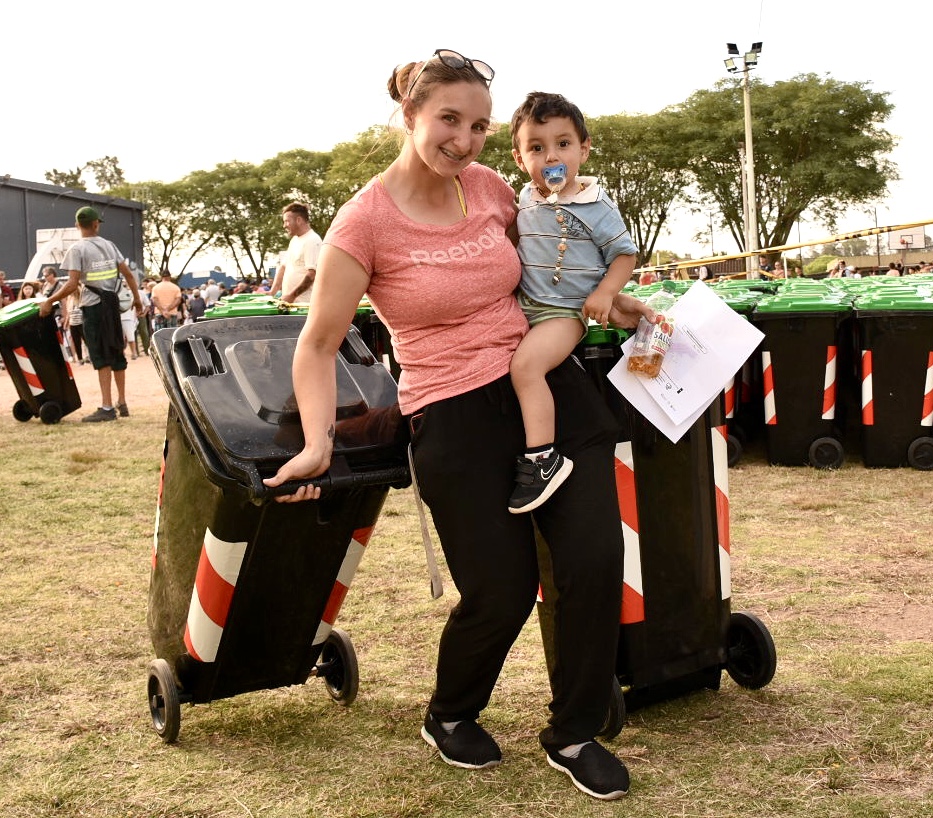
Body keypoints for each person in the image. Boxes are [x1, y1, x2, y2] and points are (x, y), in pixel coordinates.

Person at [262, 50, 651, 802]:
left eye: (478, 126)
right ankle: (449, 715)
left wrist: (611, 298)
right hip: (450, 411)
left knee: (594, 561)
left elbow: (546, 271)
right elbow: (315, 344)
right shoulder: (363, 222)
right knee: (499, 591)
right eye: (448, 120)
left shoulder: (491, 189)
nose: (464, 141)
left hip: (543, 387)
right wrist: (316, 443)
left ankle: (572, 731)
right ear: (407, 117)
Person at [505, 91, 638, 513]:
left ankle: (543, 457)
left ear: (584, 148)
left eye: (563, 144)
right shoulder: (526, 198)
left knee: (526, 369)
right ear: (519, 158)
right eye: (537, 148)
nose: (551, 156)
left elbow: (624, 255)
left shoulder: (597, 207)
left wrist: (605, 293)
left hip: (564, 313)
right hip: (526, 307)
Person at [40, 206, 143, 422]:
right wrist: (136, 299)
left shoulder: (77, 250)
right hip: (112, 305)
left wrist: (50, 300)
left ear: (77, 225)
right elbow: (129, 276)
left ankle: (106, 407)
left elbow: (72, 284)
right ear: (96, 224)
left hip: (94, 307)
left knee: (100, 355)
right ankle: (122, 402)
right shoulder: (110, 245)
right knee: (116, 351)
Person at [271, 202, 322, 304]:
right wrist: (273, 291)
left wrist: (292, 296)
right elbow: (283, 267)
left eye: (287, 221)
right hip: (291, 303)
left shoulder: (312, 240)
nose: (284, 225)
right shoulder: (294, 240)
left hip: (304, 305)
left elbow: (312, 274)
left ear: (298, 220)